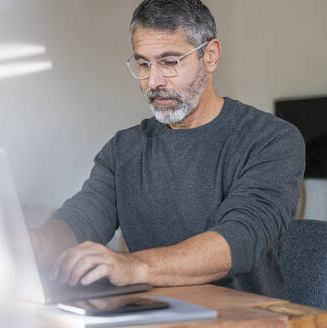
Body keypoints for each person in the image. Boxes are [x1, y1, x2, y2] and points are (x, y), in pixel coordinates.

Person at [30, 0, 305, 298]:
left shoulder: (271, 139)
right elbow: (81, 218)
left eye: (170, 62)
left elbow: (239, 239)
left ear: (210, 56)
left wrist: (133, 266)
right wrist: (34, 244)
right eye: (143, 64)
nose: (153, 81)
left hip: (247, 319)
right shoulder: (124, 149)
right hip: (151, 316)